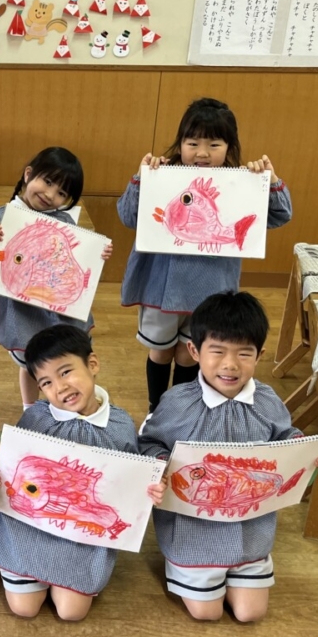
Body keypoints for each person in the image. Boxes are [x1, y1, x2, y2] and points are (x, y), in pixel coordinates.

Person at [138, 291, 318, 622]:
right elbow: (149, 442)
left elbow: (285, 437)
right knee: (206, 613)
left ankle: (240, 566)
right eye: (217, 351)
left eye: (244, 353)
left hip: (251, 530)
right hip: (193, 533)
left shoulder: (268, 401)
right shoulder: (176, 402)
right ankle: (184, 566)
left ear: (259, 355)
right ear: (194, 351)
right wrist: (159, 466)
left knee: (250, 613)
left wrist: (309, 452)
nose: (230, 364)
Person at [118, 97, 293, 412]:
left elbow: (281, 215)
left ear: (229, 147)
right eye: (192, 143)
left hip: (209, 292)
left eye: (214, 144)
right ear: (180, 143)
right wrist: (141, 179)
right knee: (160, 351)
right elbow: (128, 217)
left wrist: (269, 181)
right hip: (161, 288)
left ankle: (179, 410)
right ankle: (156, 409)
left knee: (190, 354)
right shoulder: (163, 174)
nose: (202, 152)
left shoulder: (239, 183)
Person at [0, 324, 165, 621]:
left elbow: (132, 475)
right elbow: (13, 464)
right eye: (46, 382)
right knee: (24, 608)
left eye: (66, 372)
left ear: (92, 364)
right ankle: (23, 565)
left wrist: (152, 484)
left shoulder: (120, 424)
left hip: (83, 538)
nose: (60, 387)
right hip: (29, 531)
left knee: (72, 613)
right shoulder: (36, 417)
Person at [0, 147, 111, 409]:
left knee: (68, 359)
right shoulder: (2, 217)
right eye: (47, 182)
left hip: (62, 314)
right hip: (23, 314)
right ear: (28, 175)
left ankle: (76, 403)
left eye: (62, 193)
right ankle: (30, 409)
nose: (50, 195)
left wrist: (97, 255)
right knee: (30, 363)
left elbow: (78, 262)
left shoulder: (65, 221)